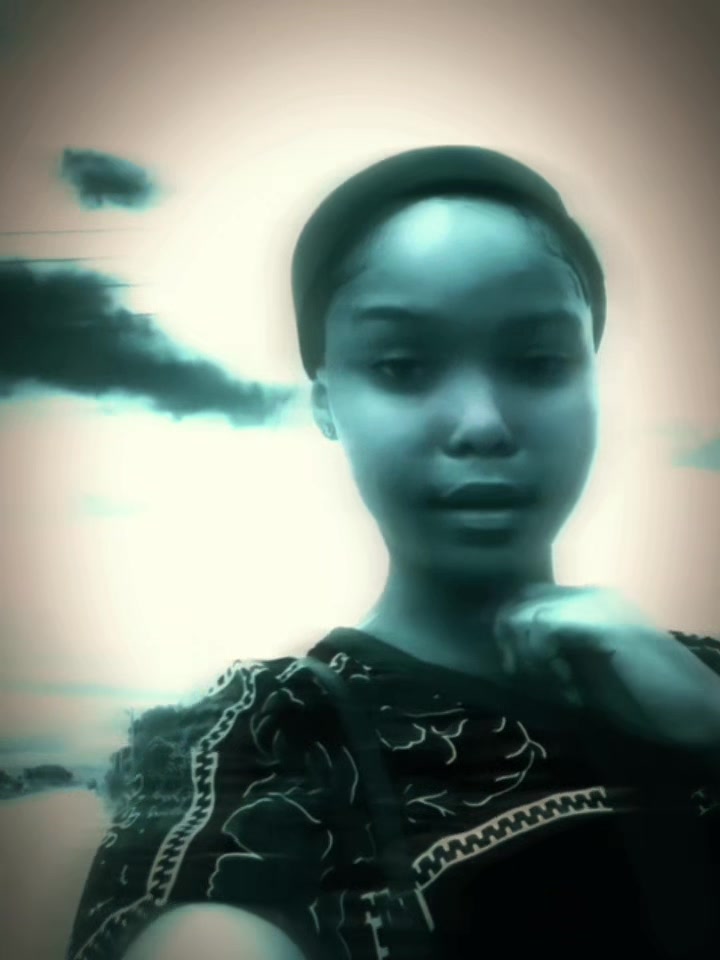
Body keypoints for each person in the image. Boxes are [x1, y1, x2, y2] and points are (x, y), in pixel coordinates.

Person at [66, 146, 720, 960]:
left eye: (539, 362)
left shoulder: (697, 677)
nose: (482, 423)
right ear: (326, 403)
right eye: (403, 366)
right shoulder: (275, 735)